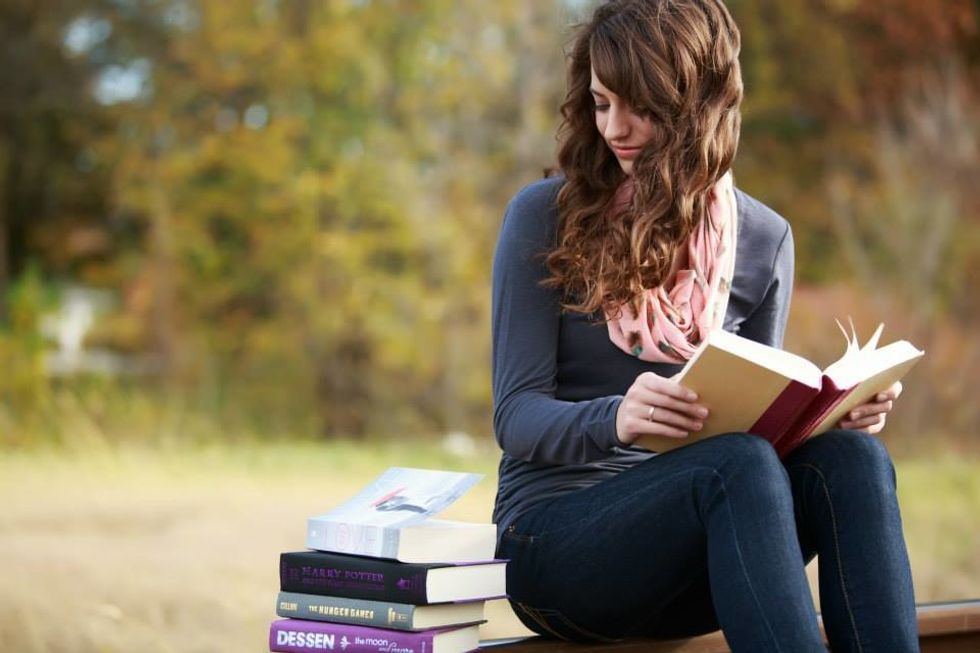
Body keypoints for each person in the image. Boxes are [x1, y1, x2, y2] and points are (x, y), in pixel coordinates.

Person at [490, 1, 918, 651]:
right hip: (555, 547)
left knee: (852, 458)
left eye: (640, 106)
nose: (615, 128)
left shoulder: (763, 240)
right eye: (602, 103)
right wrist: (616, 417)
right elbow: (515, 415)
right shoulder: (543, 215)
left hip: (700, 559)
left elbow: (759, 438)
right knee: (735, 465)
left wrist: (832, 414)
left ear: (698, 107)